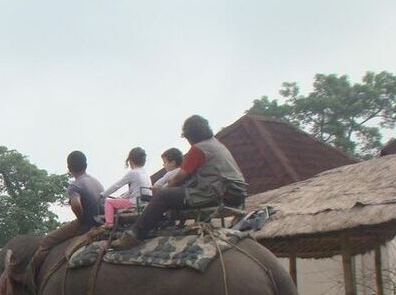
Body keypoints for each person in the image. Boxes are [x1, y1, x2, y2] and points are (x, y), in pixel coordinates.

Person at [112, 115, 247, 249]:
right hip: (235, 193)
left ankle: (135, 234)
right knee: (175, 193)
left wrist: (164, 190)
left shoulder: (198, 149)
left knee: (163, 196)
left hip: (216, 193)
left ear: (190, 136)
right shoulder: (217, 145)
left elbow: (180, 176)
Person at [29, 150, 104, 278]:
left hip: (88, 222)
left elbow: (76, 204)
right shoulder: (96, 182)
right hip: (103, 219)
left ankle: (32, 278)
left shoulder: (75, 186)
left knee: (47, 241)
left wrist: (81, 220)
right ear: (85, 165)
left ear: (69, 168)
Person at [101, 147, 152, 227]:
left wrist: (103, 194)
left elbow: (116, 185)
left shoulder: (132, 173)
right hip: (145, 201)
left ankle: (109, 223)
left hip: (136, 202)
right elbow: (132, 191)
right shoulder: (144, 173)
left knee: (108, 202)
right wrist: (120, 198)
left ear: (130, 161)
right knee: (119, 201)